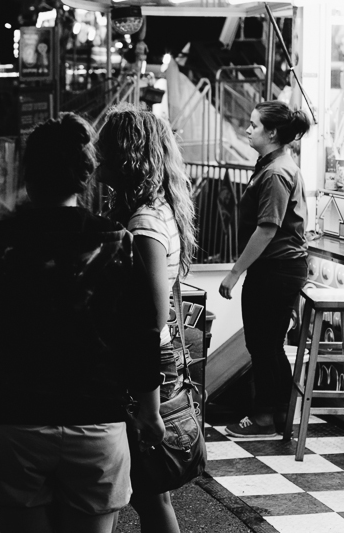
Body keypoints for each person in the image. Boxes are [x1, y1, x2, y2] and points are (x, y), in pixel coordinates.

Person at [0, 114, 164, 533]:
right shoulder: (117, 242)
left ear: (27, 173)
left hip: (10, 422)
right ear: (86, 176)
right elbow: (140, 334)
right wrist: (150, 410)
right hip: (96, 422)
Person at [97, 105, 197, 533]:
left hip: (148, 372)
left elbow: (151, 318)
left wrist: (149, 404)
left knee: (146, 493)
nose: (96, 161)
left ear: (126, 157)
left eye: (103, 152)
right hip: (153, 367)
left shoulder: (144, 225)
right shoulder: (154, 211)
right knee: (147, 491)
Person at [219, 101, 311, 438]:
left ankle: (266, 417)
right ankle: (277, 414)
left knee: (265, 344)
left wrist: (234, 272)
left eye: (254, 125)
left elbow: (267, 228)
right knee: (265, 344)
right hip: (276, 267)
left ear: (272, 133)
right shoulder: (273, 165)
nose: (247, 128)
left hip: (277, 268)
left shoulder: (275, 173)